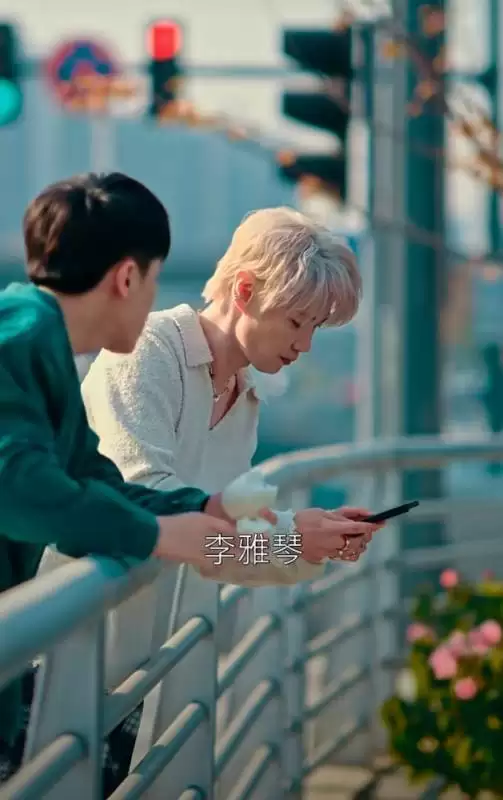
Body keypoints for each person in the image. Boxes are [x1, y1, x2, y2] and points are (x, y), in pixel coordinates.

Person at [0, 179, 377, 793]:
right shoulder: (107, 347)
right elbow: (132, 510)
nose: (305, 345)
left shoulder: (245, 398)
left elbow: (159, 514)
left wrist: (277, 533)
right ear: (129, 278)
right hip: (62, 653)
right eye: (297, 321)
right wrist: (271, 537)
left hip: (122, 662)